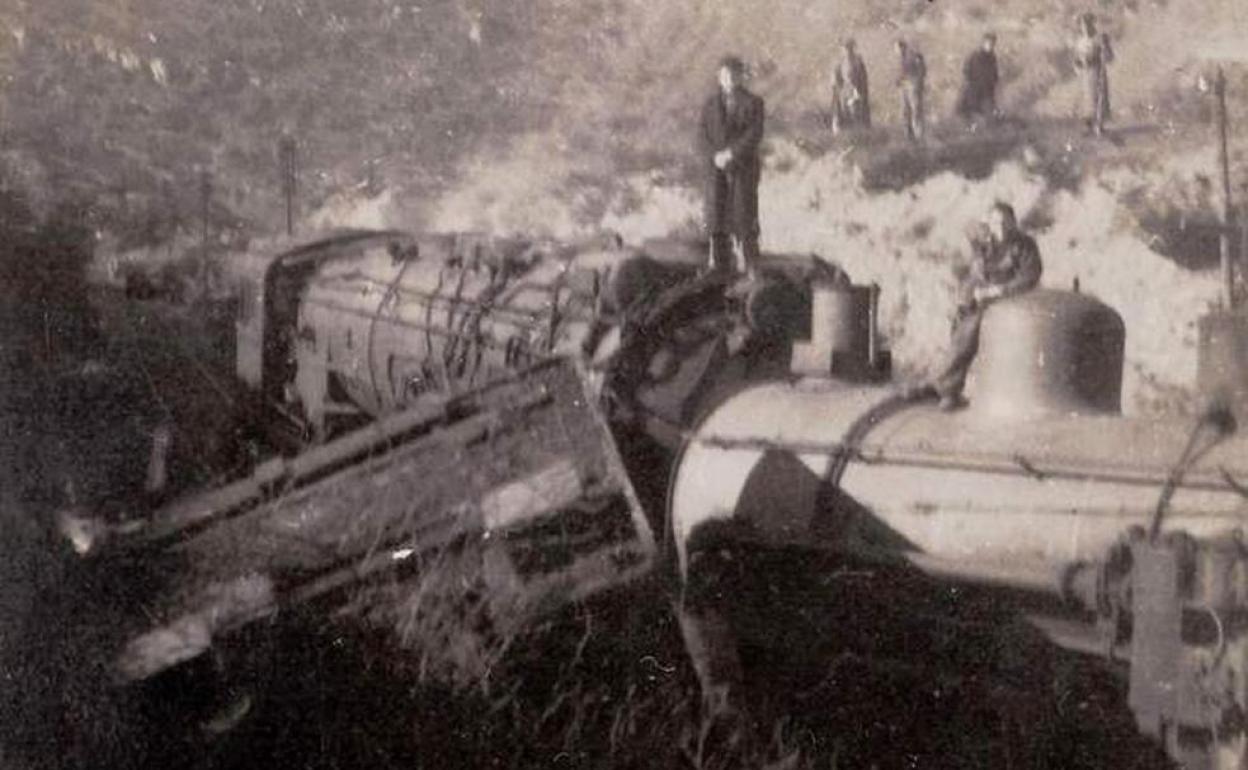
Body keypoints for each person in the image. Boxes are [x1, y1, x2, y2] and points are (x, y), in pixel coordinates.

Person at [929, 202, 1042, 411]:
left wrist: (998, 290)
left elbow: (1029, 277)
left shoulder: (1025, 245)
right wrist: (970, 296)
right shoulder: (984, 243)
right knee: (962, 327)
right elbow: (977, 272)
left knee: (973, 328)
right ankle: (947, 388)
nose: (1001, 227)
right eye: (996, 222)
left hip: (1014, 297)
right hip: (983, 294)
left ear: (1013, 223)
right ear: (989, 223)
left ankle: (947, 387)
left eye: (1005, 222)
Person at [700, 55, 765, 278]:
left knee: (744, 212)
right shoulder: (710, 105)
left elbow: (754, 134)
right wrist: (715, 156)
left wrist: (731, 154)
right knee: (715, 213)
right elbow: (701, 135)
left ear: (740, 77)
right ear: (719, 77)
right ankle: (717, 263)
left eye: (733, 75)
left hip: (742, 166)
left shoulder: (754, 102)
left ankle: (749, 263)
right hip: (715, 167)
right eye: (724, 75)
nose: (728, 79)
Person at [1073, 14, 1113, 136]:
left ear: (1092, 25)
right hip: (1084, 75)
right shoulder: (1080, 42)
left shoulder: (1099, 39)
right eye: (1083, 25)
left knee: (1098, 97)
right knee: (1086, 99)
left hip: (1096, 72)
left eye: (1088, 24)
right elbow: (1076, 58)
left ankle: (1099, 125)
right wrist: (1078, 65)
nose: (1085, 28)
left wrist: (1105, 48)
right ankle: (1088, 126)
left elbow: (1109, 57)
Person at [956, 33, 1000, 128]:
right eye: (988, 43)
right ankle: (970, 128)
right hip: (973, 90)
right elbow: (966, 71)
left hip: (987, 92)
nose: (990, 46)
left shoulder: (992, 58)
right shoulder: (974, 56)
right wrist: (971, 83)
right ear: (983, 43)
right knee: (969, 112)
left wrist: (992, 84)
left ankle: (981, 128)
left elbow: (995, 74)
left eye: (992, 44)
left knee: (989, 116)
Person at [831, 39, 870, 135]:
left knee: (855, 112)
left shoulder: (858, 62)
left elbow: (863, 78)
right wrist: (838, 87)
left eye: (848, 48)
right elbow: (836, 77)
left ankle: (858, 134)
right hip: (845, 91)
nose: (846, 51)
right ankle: (848, 135)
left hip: (855, 91)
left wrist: (860, 91)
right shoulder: (840, 62)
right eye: (845, 48)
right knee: (844, 112)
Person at [895, 39, 927, 142]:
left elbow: (921, 71)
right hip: (905, 86)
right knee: (905, 111)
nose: (896, 51)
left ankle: (919, 135)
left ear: (902, 47)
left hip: (913, 85)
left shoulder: (913, 56)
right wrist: (898, 80)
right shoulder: (902, 58)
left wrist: (917, 83)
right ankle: (908, 135)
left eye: (897, 48)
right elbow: (902, 72)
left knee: (916, 110)